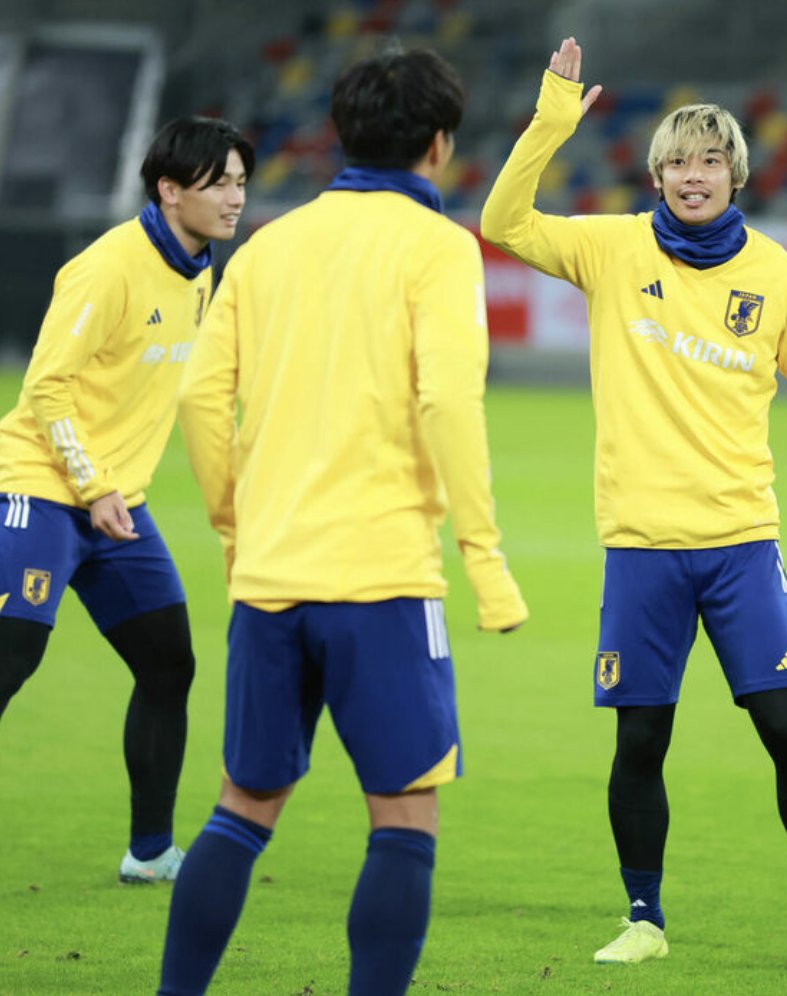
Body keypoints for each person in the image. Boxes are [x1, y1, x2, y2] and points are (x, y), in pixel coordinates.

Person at [482, 37, 787, 974]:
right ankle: (644, 920)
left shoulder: (778, 274)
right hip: (641, 548)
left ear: (736, 173)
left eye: (711, 160)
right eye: (679, 161)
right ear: (655, 175)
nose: (695, 176)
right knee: (641, 737)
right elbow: (501, 221)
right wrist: (552, 121)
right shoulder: (611, 248)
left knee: (786, 727)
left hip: (741, 544)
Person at [156, 46, 528, 996]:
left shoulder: (266, 247)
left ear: (342, 133)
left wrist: (236, 529)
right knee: (403, 820)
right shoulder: (438, 248)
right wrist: (484, 559)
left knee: (244, 806)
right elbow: (449, 402)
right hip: (383, 578)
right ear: (439, 144)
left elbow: (199, 398)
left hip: (270, 578)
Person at [0, 116, 254, 884]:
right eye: (219, 184)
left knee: (169, 665)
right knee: (9, 663)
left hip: (116, 504)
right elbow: (46, 386)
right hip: (39, 487)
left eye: (241, 182)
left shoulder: (200, 266)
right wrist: (95, 485)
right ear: (170, 190)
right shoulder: (107, 267)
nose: (235, 198)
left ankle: (149, 854)